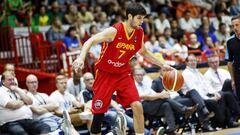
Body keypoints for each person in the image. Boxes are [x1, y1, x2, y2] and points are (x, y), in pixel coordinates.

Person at [72, 2, 172, 135]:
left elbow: (144, 52)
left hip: (123, 74)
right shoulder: (114, 31)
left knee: (137, 105)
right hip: (105, 74)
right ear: (130, 16)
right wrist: (80, 58)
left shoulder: (139, 32)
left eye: (143, 18)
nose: (142, 21)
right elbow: (90, 41)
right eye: (139, 18)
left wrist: (161, 64)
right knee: (99, 113)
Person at [225, 15, 240, 101]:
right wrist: (232, 80)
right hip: (238, 74)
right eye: (233, 26)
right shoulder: (229, 42)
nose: (235, 28)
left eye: (237, 25)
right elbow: (229, 62)